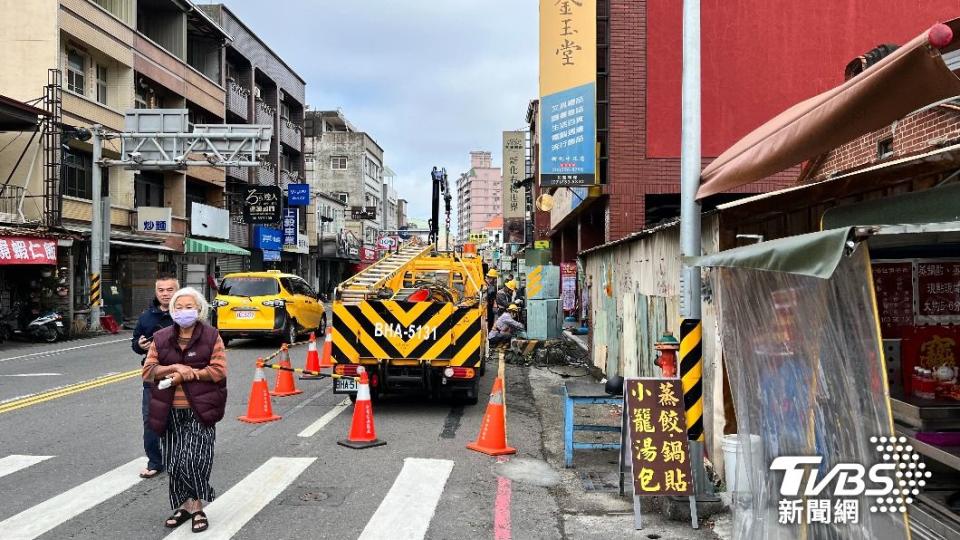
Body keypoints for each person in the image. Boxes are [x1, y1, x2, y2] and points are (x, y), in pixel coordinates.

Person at [142, 287, 227, 533]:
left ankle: (198, 505)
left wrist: (192, 374)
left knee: (195, 459)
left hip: (200, 409)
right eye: (178, 307)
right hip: (169, 409)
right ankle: (185, 506)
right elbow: (148, 371)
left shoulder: (212, 336)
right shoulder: (161, 337)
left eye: (189, 307)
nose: (183, 311)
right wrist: (175, 368)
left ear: (199, 310)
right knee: (174, 461)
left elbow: (218, 370)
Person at [131, 274, 178, 480]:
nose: (165, 294)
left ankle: (183, 456)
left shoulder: (185, 313)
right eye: (161, 290)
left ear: (177, 290)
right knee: (151, 420)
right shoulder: (146, 317)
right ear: (156, 292)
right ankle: (155, 462)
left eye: (170, 290)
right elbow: (135, 343)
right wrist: (139, 345)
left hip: (180, 376)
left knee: (182, 420)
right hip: (153, 376)